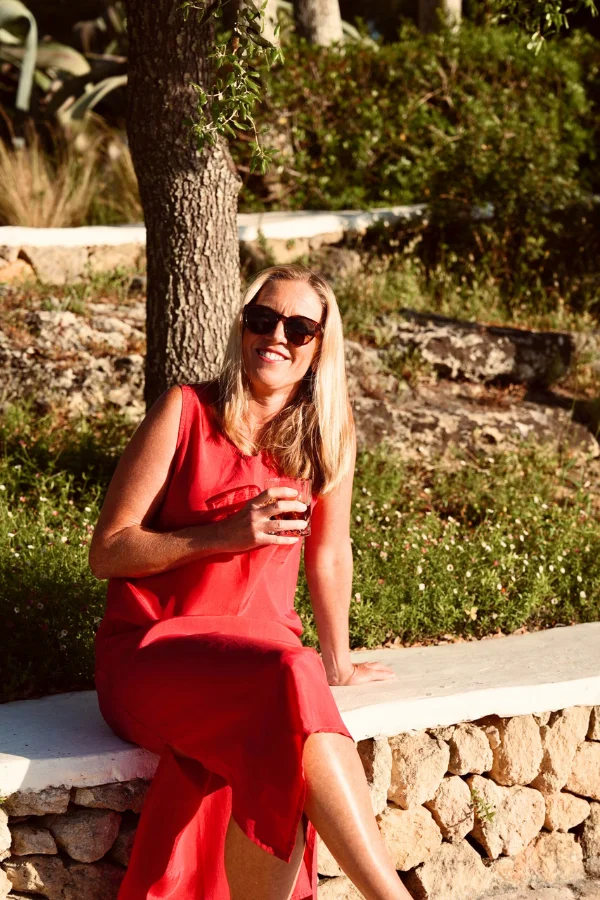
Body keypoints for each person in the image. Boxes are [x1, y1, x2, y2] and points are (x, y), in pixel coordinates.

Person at [89, 264, 414, 900]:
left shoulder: (327, 437)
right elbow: (108, 550)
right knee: (292, 677)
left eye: (299, 328)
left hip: (260, 663)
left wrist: (339, 660)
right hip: (156, 653)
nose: (277, 337)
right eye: (262, 320)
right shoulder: (184, 411)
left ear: (321, 347)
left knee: (293, 683)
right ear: (242, 327)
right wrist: (220, 536)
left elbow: (329, 555)